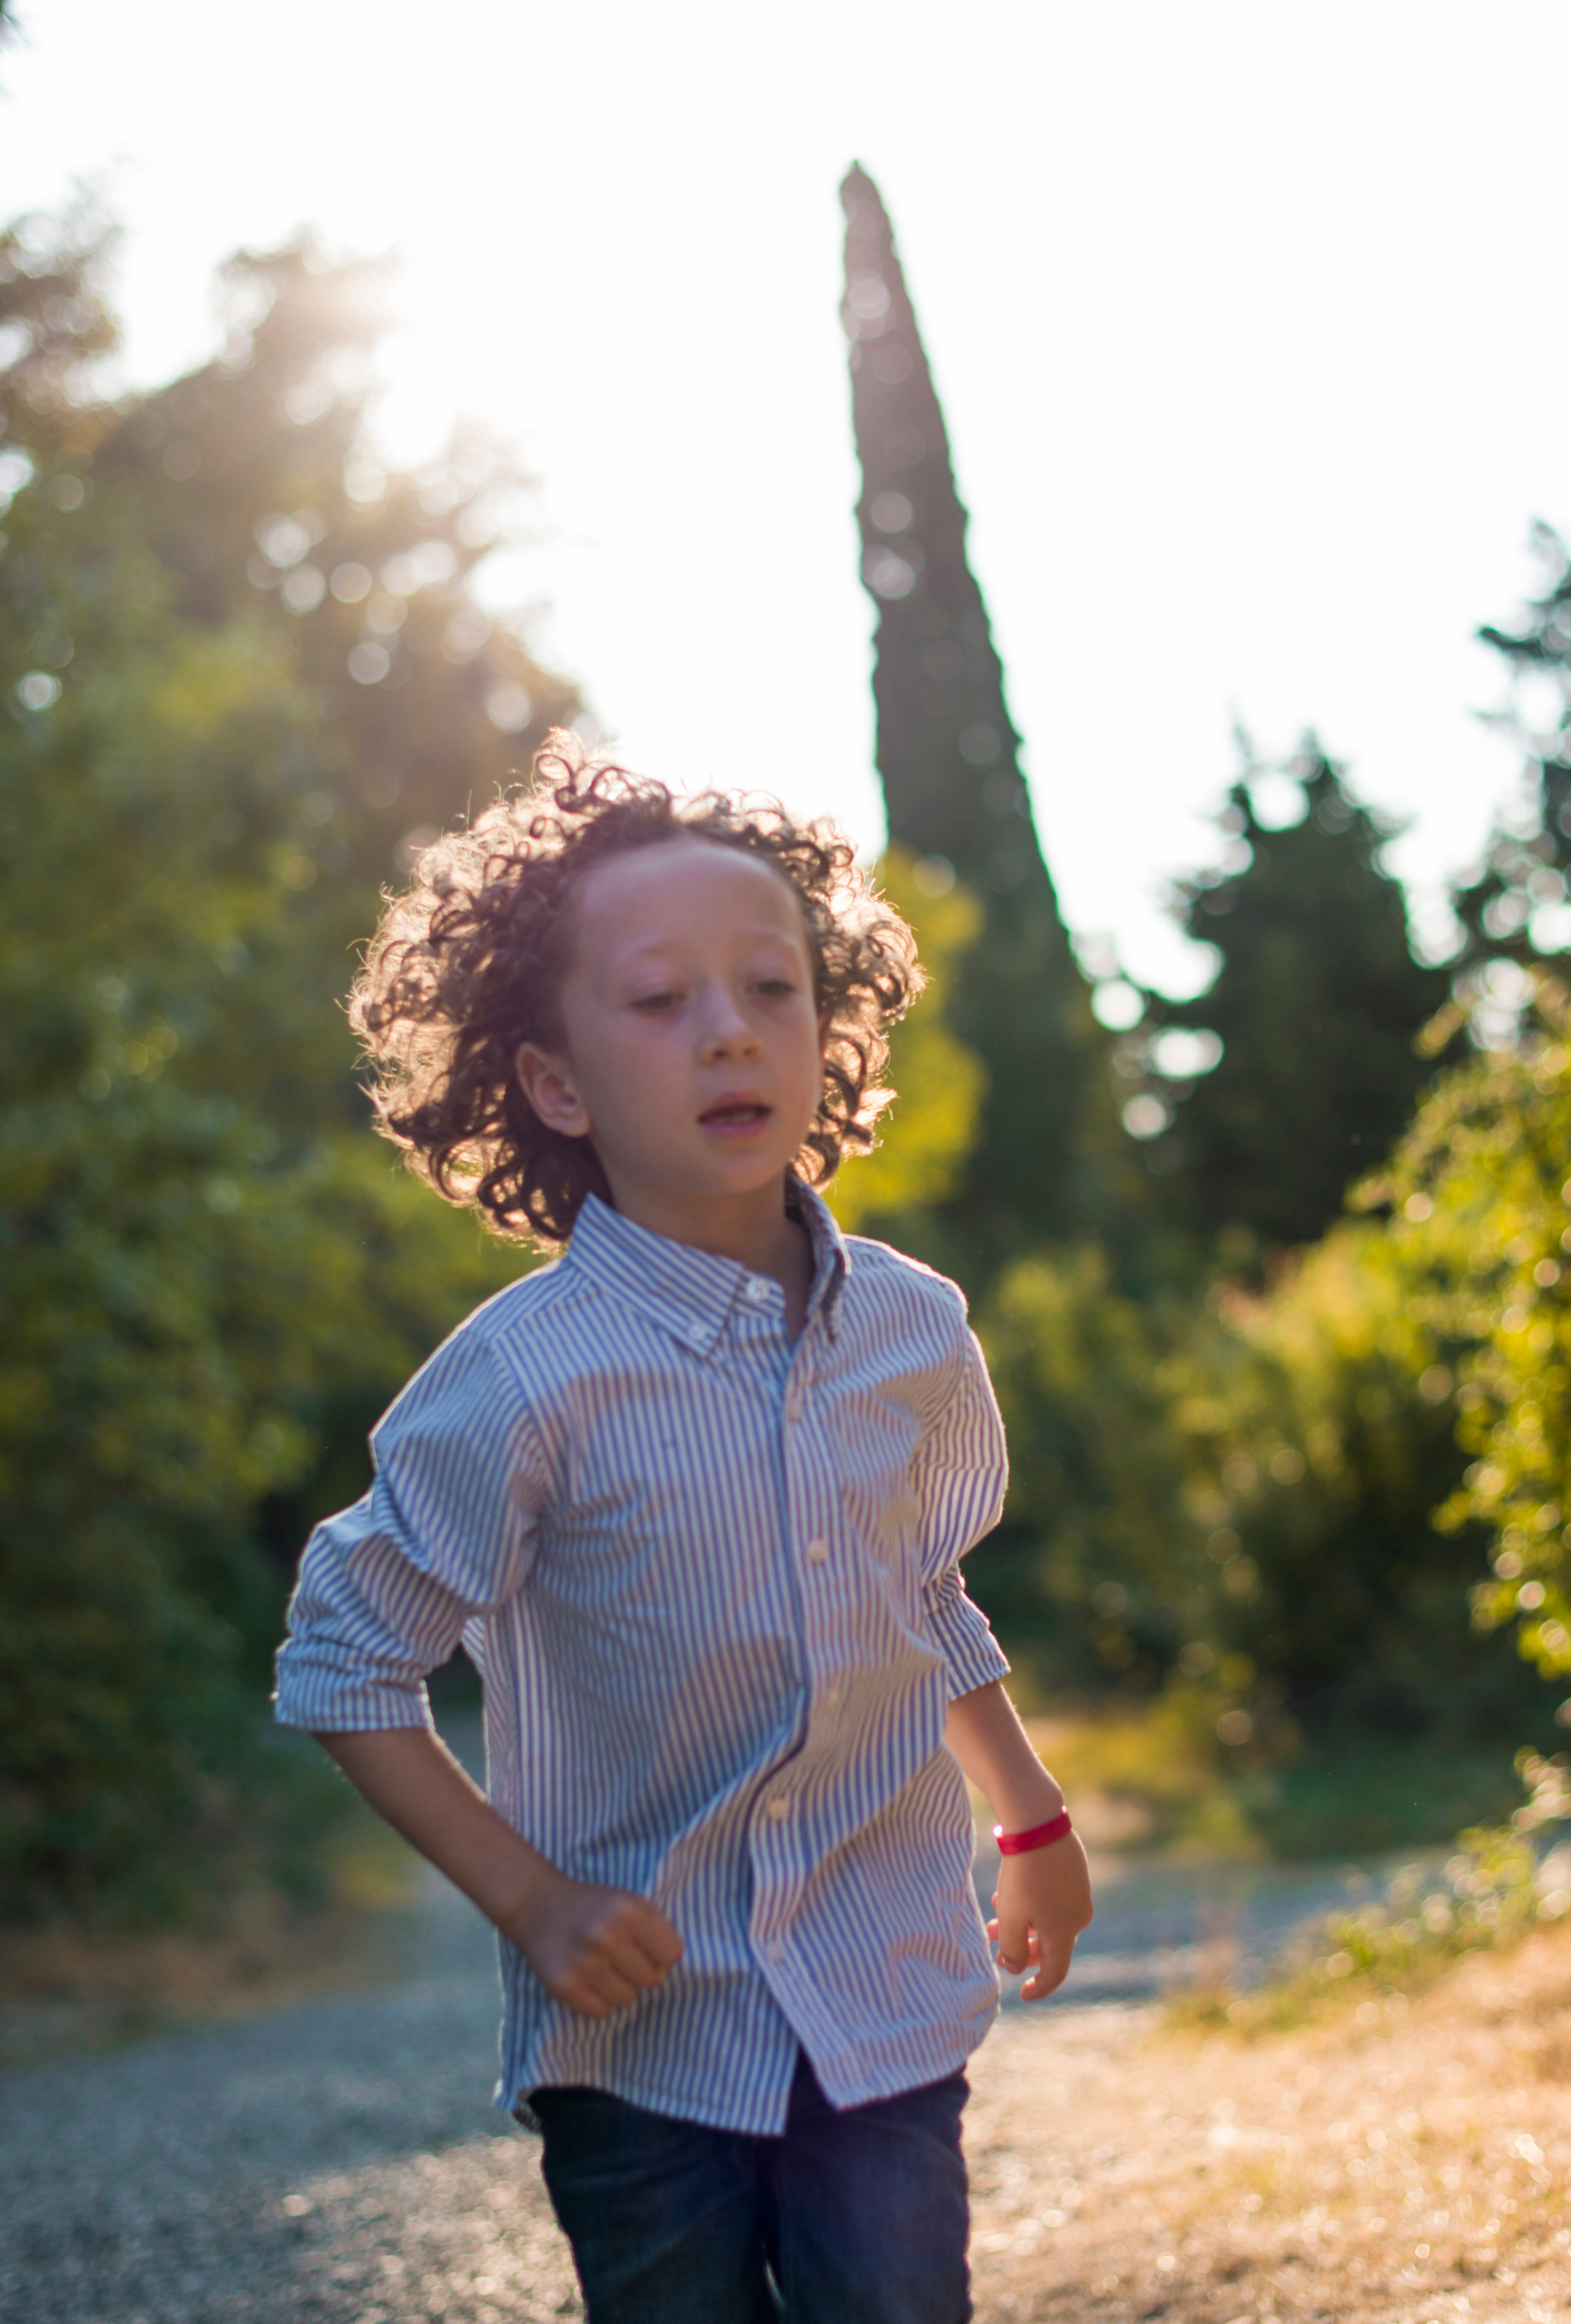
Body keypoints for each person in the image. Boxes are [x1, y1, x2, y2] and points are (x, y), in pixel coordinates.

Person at [273, 735, 1092, 2324]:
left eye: (771, 988)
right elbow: (345, 1664)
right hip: (642, 2039)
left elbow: (921, 1590)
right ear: (557, 1084)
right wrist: (532, 1900)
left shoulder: (912, 1333)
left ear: (828, 1025)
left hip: (882, 1984)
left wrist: (1032, 1817)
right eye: (660, 1002)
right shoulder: (519, 1384)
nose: (728, 1032)